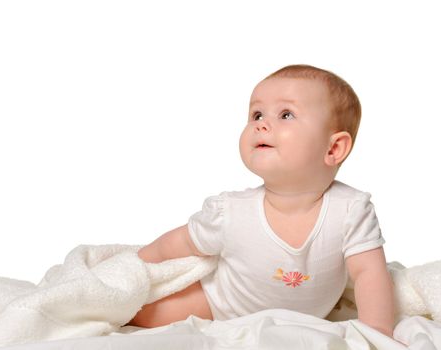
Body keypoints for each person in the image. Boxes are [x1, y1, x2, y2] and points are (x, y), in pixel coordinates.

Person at [129, 64, 395, 337]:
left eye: (286, 114)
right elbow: (180, 243)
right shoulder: (231, 212)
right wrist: (135, 264)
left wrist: (377, 332)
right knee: (144, 314)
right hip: (222, 306)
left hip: (311, 319)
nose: (261, 124)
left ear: (333, 148)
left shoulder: (350, 210)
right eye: (256, 114)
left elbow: (368, 274)